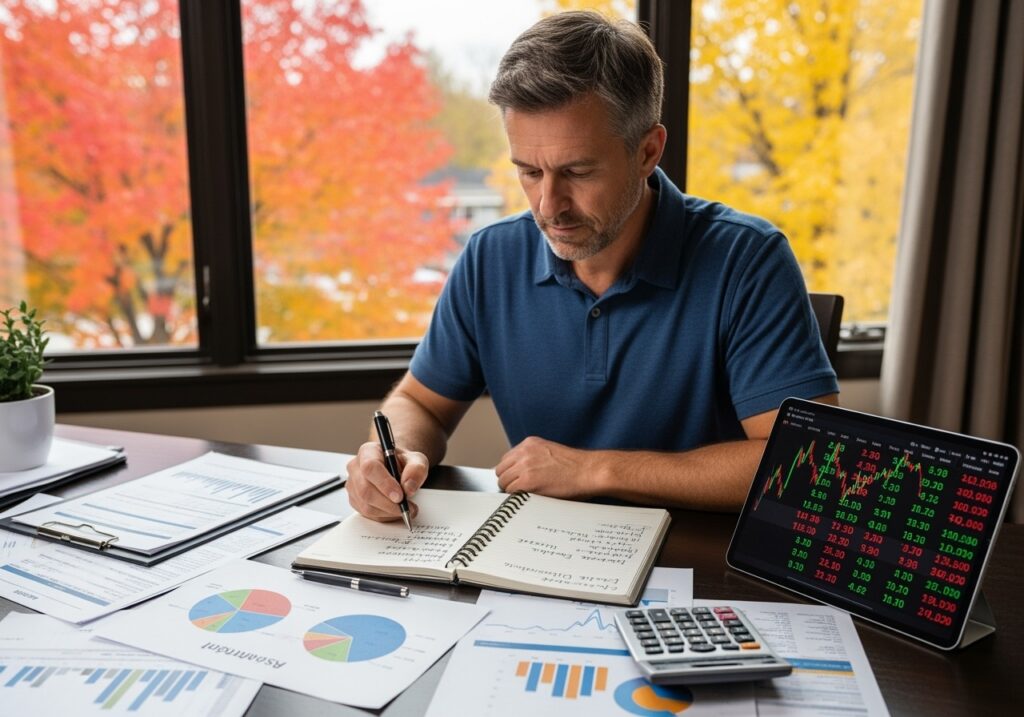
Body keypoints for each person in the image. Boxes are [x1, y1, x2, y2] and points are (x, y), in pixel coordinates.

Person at [346, 10, 839, 522]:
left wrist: (597, 470)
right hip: (542, 557)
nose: (547, 205)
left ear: (648, 151)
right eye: (529, 171)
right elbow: (420, 404)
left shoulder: (747, 259)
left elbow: (805, 464)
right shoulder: (489, 258)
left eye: (577, 172)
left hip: (702, 570)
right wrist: (395, 454)